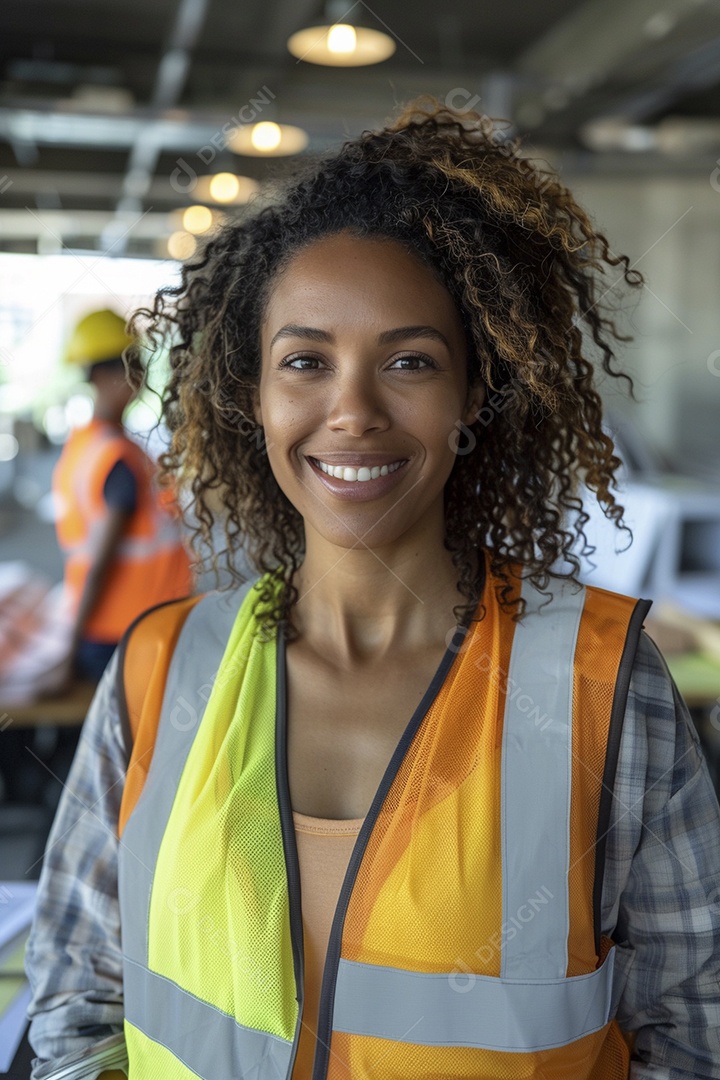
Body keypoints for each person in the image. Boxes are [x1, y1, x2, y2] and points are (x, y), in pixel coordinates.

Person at [25, 101, 720, 1079]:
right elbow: (76, 1004)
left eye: (409, 361)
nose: (351, 412)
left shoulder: (603, 684)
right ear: (253, 391)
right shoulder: (157, 673)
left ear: (475, 389)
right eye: (305, 361)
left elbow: (696, 1032)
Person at [52, 308, 194, 684]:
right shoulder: (116, 458)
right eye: (132, 366)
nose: (143, 377)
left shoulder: (86, 445)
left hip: (114, 628)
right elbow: (99, 563)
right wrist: (68, 653)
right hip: (129, 631)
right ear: (101, 376)